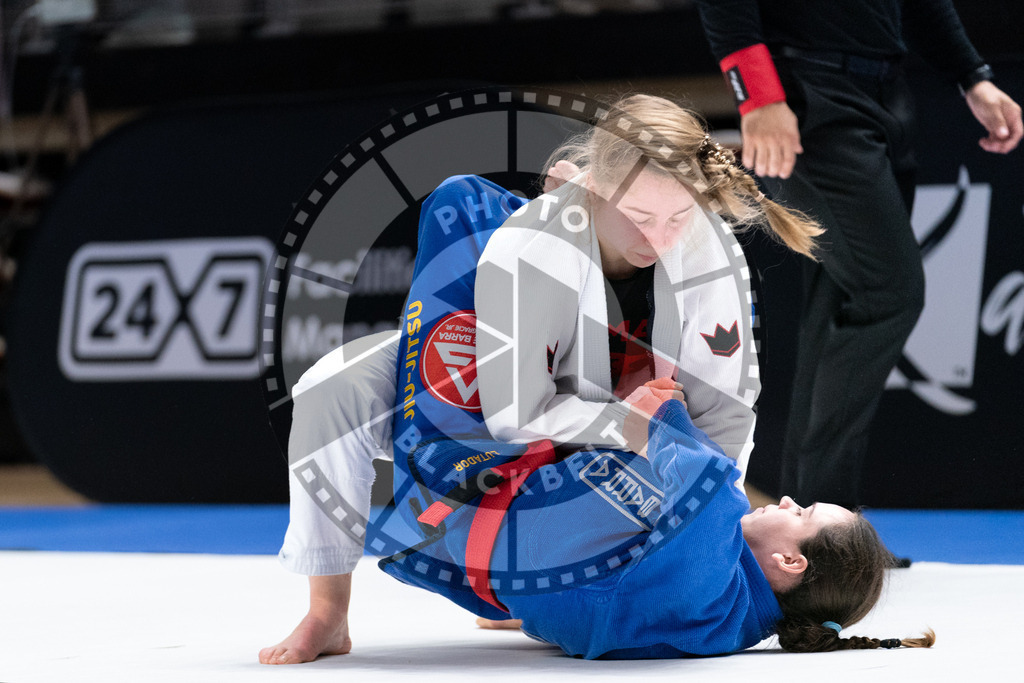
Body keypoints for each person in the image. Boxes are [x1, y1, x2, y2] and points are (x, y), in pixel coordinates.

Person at [260, 93, 824, 662]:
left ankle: (540, 594)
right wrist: (634, 425)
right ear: (593, 191)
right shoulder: (532, 245)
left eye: (678, 216)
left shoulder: (709, 251)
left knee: (667, 460)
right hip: (498, 374)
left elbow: (725, 414)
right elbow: (516, 413)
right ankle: (328, 613)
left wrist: (705, 526)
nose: (661, 238)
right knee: (332, 392)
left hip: (615, 403)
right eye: (640, 217)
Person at [261, 347, 935, 661]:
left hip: (467, 497)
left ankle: (328, 612)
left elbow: (671, 431)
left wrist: (645, 398)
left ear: (788, 558)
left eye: (803, 510)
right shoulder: (725, 631)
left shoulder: (713, 515)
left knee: (329, 394)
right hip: (470, 568)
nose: (786, 497)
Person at [694, 0, 1023, 506]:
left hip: (888, 90)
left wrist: (973, 75)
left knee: (840, 299)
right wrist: (758, 96)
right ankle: (822, 518)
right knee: (889, 292)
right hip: (807, 92)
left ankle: (817, 518)